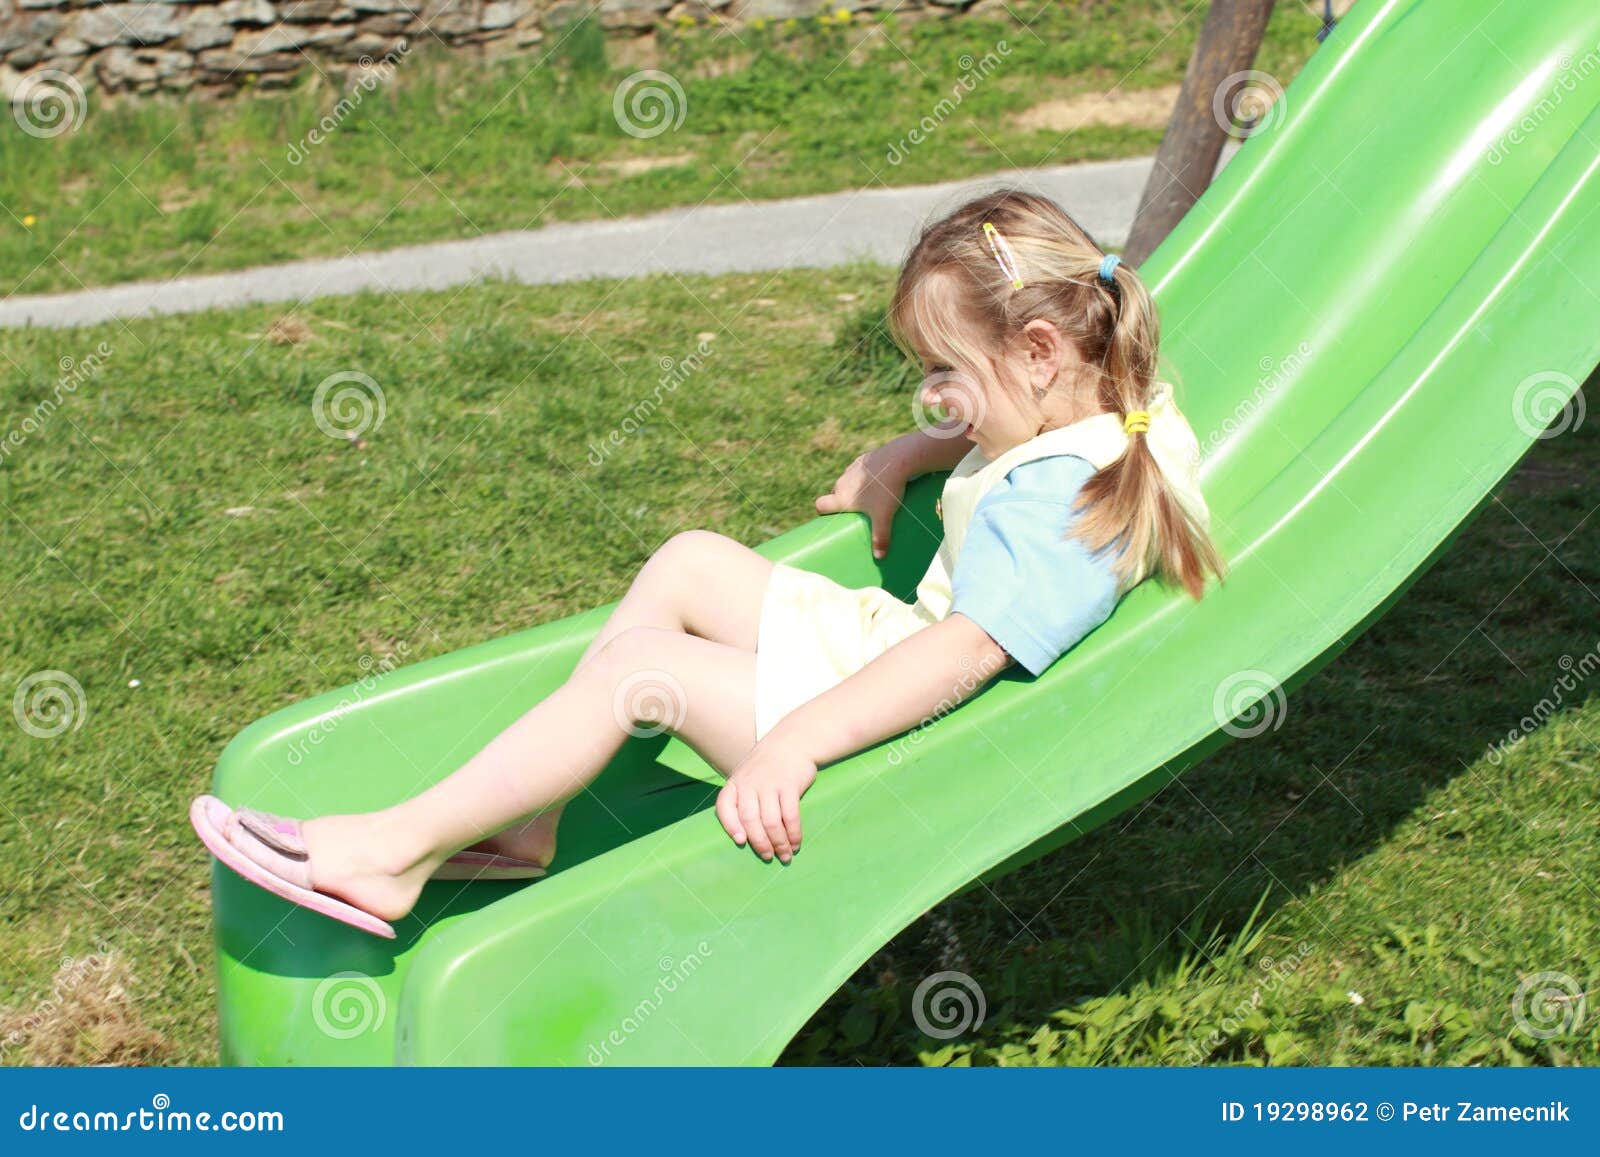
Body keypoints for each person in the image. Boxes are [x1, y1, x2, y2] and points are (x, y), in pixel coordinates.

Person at [189, 187, 1228, 939]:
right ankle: (532, 823)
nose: (934, 397)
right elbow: (1015, 435)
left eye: (941, 376)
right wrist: (909, 451)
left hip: (892, 727)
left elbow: (960, 655)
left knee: (638, 669)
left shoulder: (1057, 503)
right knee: (688, 560)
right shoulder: (1118, 409)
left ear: (1039, 351)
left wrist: (797, 748)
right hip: (881, 657)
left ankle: (391, 857)